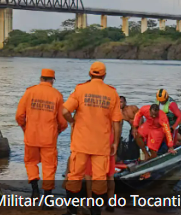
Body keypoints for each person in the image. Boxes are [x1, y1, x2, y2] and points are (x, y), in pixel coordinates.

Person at [62, 61, 122, 215]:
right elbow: (117, 122)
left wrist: (72, 121)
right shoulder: (112, 93)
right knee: (99, 178)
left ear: (90, 74)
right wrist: (115, 142)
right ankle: (96, 212)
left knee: (74, 175)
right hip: (101, 145)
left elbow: (64, 111)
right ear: (104, 75)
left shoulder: (80, 89)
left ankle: (71, 210)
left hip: (81, 142)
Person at [15, 68, 68, 210]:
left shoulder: (29, 92)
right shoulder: (57, 95)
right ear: (52, 80)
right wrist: (58, 131)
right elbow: (62, 122)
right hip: (49, 138)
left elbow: (19, 116)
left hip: (31, 136)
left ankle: (34, 190)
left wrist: (25, 128)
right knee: (49, 167)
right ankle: (48, 199)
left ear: (41, 78)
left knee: (31, 162)